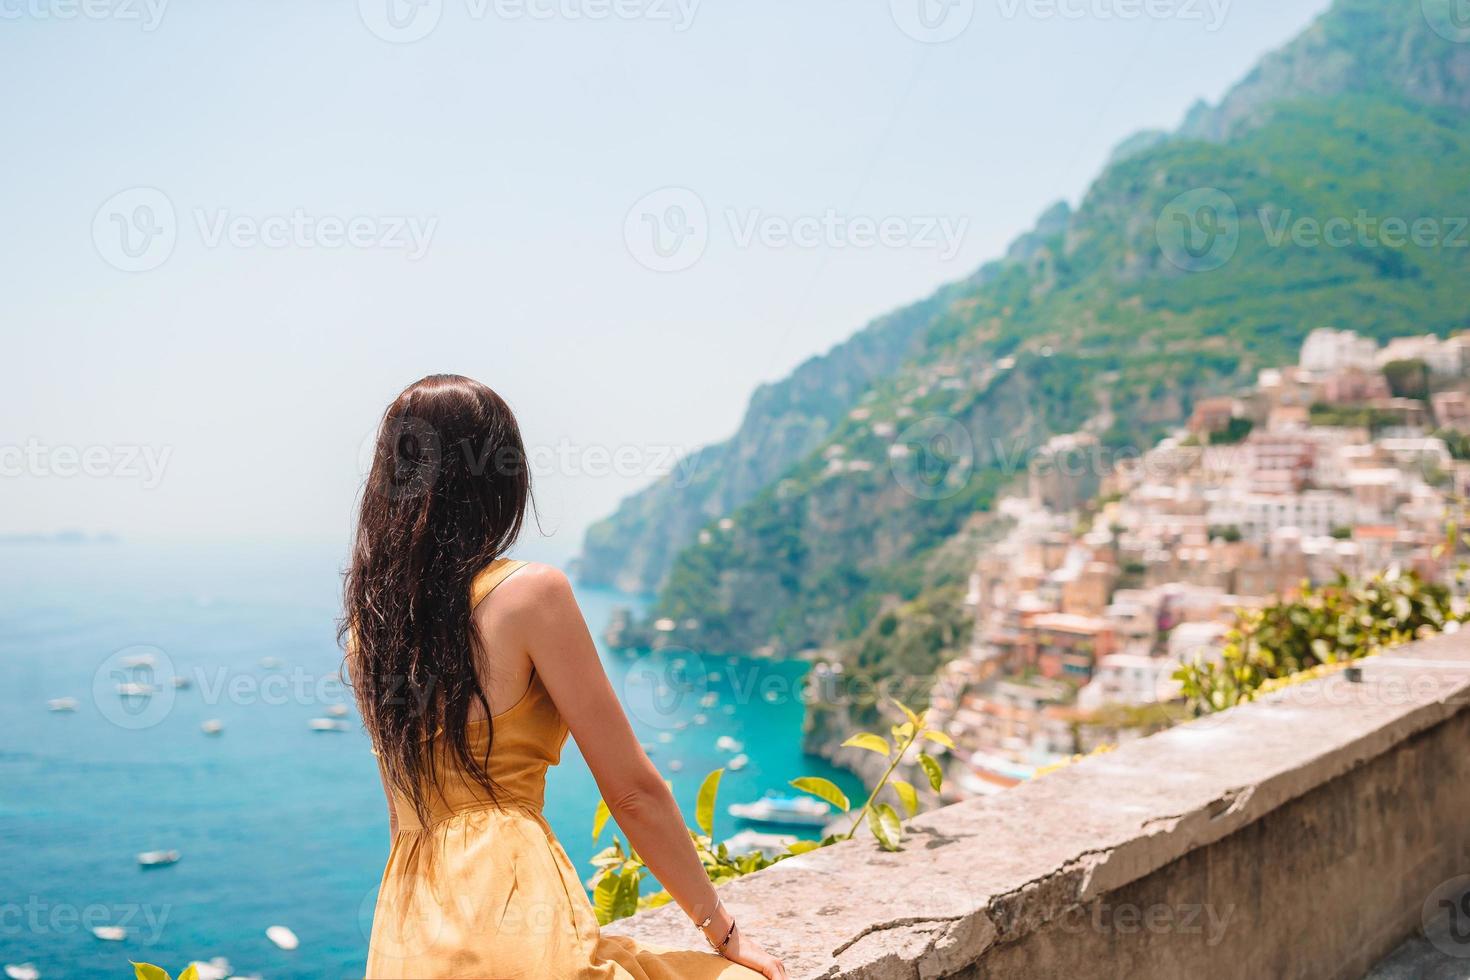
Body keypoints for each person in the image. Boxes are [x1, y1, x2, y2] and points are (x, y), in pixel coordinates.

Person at [344, 374, 787, 979]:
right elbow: (632, 793)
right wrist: (722, 930)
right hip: (515, 920)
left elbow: (402, 813)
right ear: (501, 477)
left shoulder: (371, 632)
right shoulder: (530, 595)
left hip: (407, 937)